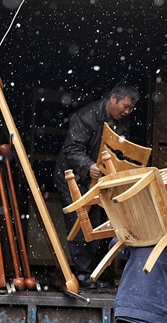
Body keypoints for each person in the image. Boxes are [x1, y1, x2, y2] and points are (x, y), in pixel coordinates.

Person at [53, 84, 140, 288]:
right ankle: (84, 274)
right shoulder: (86, 117)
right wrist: (88, 165)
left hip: (98, 180)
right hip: (72, 177)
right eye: (125, 106)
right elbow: (71, 149)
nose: (127, 112)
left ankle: (94, 273)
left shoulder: (120, 123)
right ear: (113, 99)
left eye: (130, 109)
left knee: (98, 223)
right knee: (80, 223)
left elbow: (120, 150)